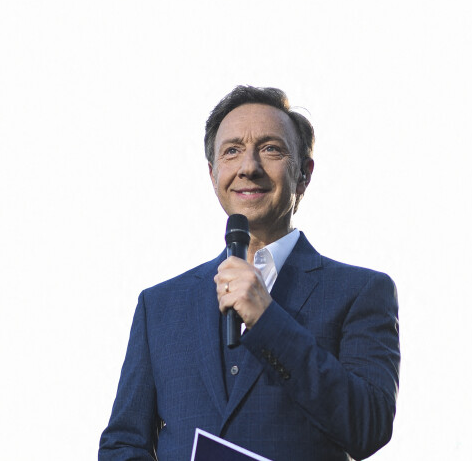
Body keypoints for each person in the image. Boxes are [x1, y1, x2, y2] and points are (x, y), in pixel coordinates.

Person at [99, 86, 400, 461]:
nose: (248, 166)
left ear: (303, 174)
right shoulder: (159, 306)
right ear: (213, 174)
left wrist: (268, 319)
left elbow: (368, 427)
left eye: (271, 149)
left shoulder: (361, 292)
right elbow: (122, 444)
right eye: (232, 151)